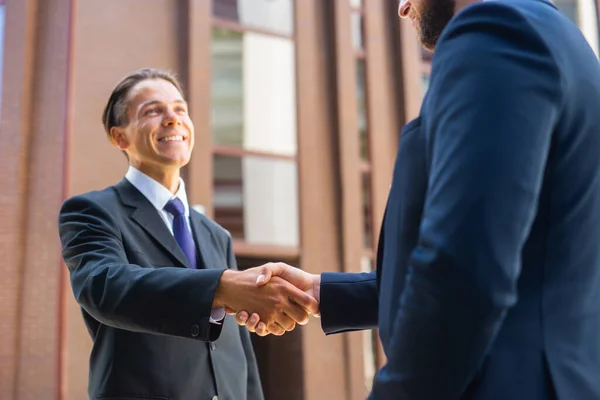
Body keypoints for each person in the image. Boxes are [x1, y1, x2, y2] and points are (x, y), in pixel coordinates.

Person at [235, 0, 600, 399]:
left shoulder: (496, 31)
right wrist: (323, 291)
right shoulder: (558, 38)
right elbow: (512, 255)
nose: (403, 8)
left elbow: (464, 265)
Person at [58, 68, 319, 399]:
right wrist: (220, 288)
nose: (172, 118)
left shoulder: (216, 234)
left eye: (180, 108)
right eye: (153, 111)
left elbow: (239, 352)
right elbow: (105, 287)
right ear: (119, 137)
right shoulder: (92, 211)